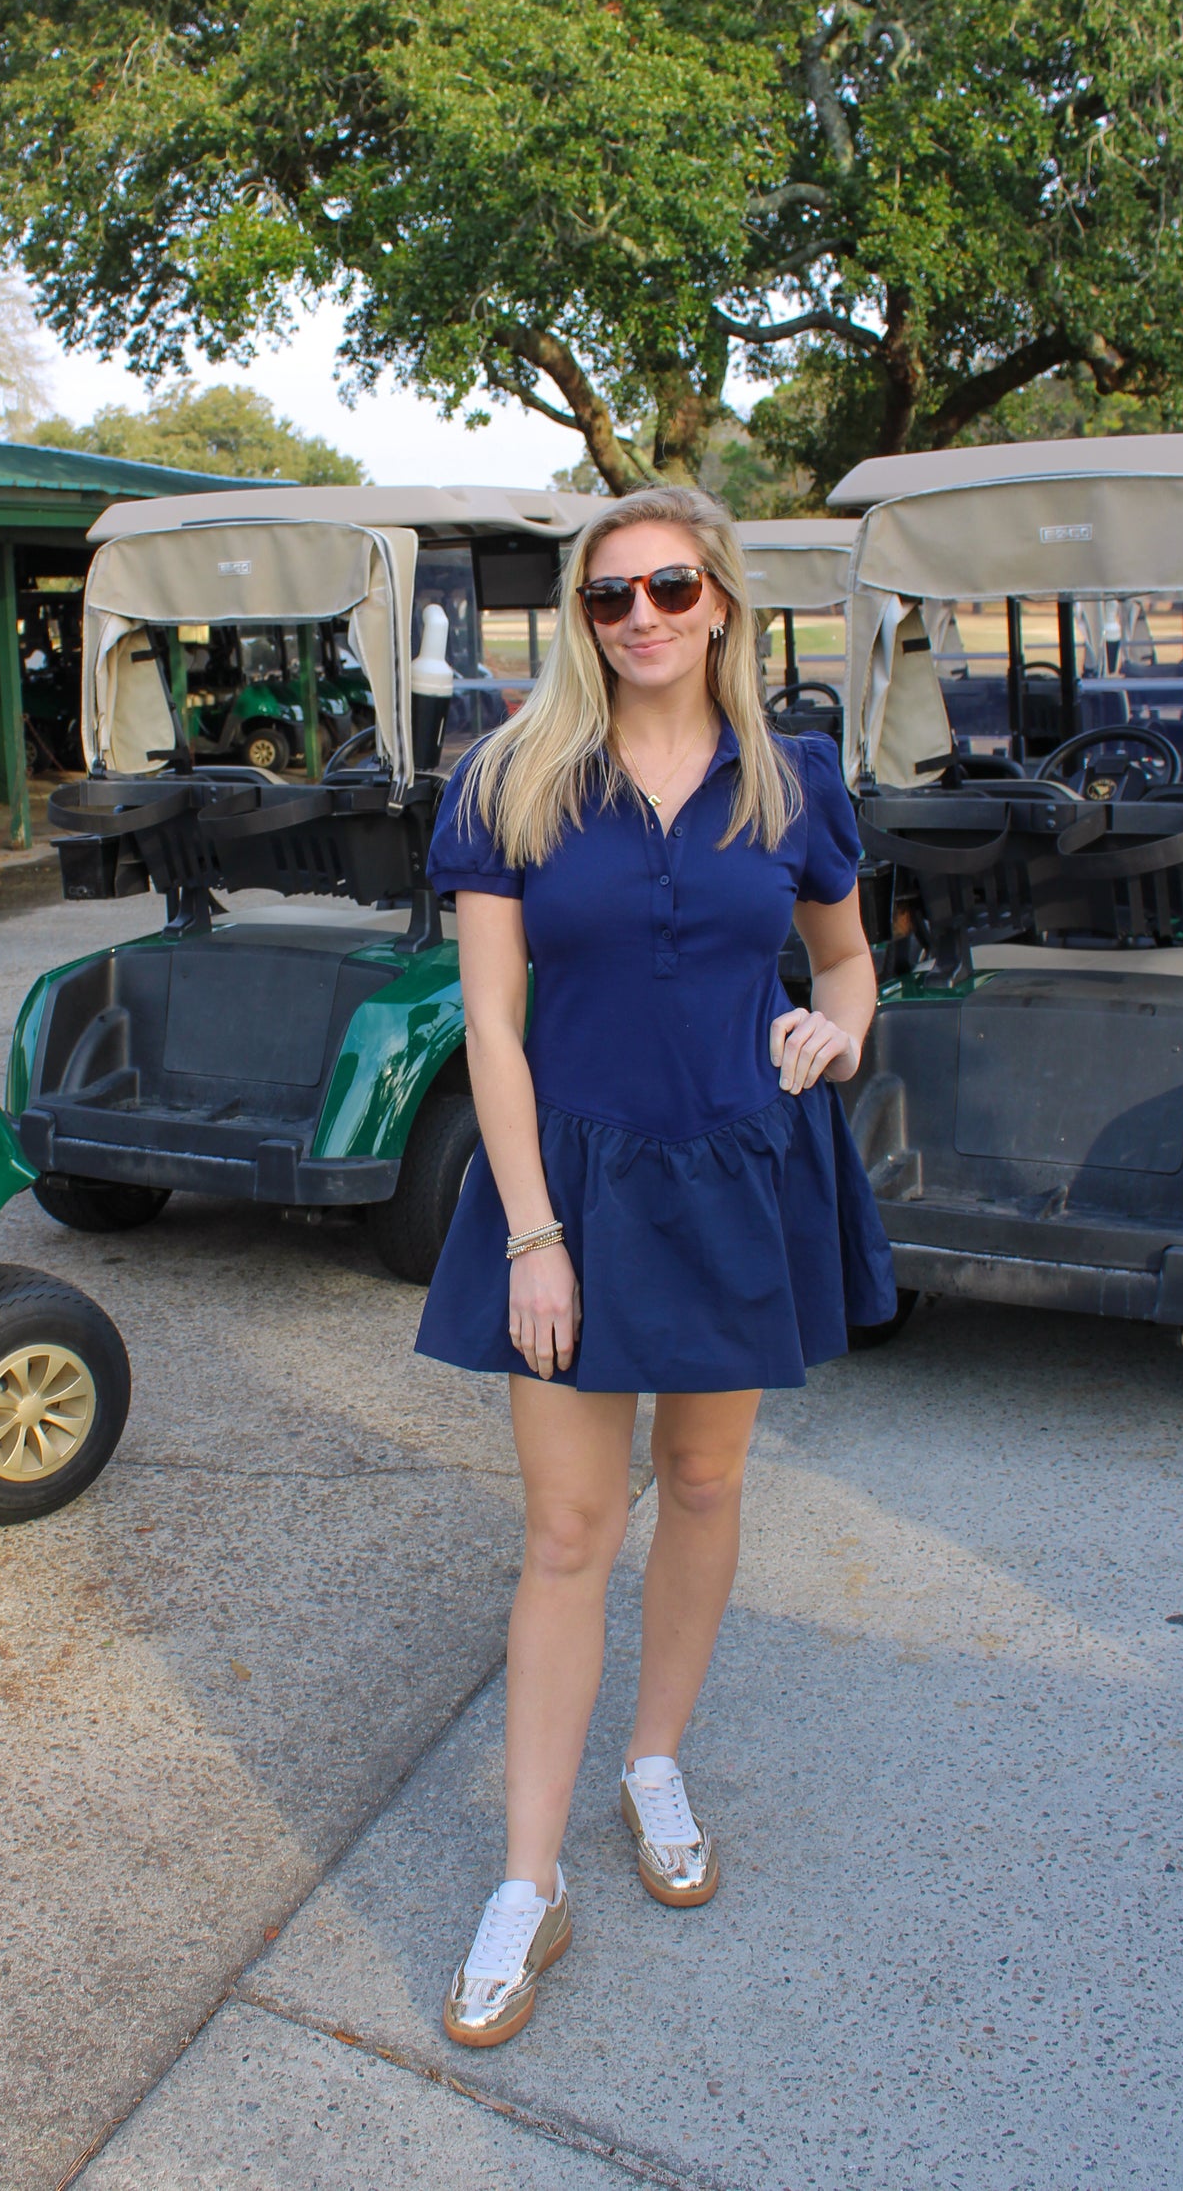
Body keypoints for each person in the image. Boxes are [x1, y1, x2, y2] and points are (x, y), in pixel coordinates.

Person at [415, 485, 894, 2048]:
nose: (637, 620)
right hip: (575, 1180)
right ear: (579, 617)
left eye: (667, 590)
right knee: (566, 1531)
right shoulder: (512, 777)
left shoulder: (792, 776)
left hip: (743, 1170)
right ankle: (527, 1880)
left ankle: (656, 1759)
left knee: (701, 1486)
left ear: (722, 605)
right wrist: (534, 1232)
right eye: (608, 597)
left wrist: (838, 1028)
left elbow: (842, 953)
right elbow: (490, 1022)